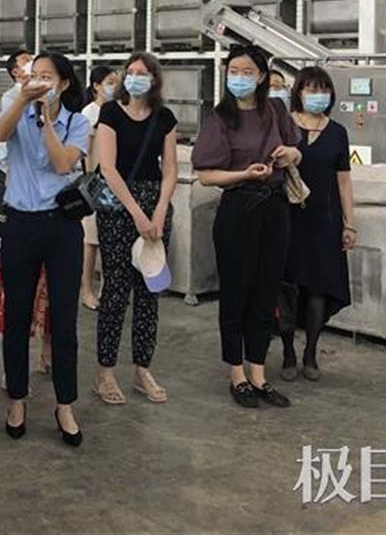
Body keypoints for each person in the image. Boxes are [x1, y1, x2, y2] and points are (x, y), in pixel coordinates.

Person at [192, 44, 301, 410]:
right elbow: (206, 176)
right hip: (239, 208)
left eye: (247, 72)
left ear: (261, 76)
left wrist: (290, 154)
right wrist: (244, 174)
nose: (239, 78)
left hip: (275, 209)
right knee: (236, 291)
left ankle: (258, 372)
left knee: (266, 291)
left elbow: (297, 149)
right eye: (233, 71)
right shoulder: (220, 118)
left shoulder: (276, 110)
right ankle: (236, 373)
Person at [0, 51, 91, 447]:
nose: (39, 81)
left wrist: (47, 120)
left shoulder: (78, 122)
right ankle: (17, 399)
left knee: (64, 319)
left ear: (63, 84)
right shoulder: (15, 108)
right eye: (34, 74)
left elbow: (63, 164)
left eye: (48, 77)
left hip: (61, 227)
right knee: (16, 316)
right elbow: (0, 135)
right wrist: (23, 101)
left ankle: (65, 404)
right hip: (19, 224)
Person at [93, 53, 178, 406]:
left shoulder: (164, 118)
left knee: (149, 291)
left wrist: (158, 211)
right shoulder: (111, 114)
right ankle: (105, 371)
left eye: (142, 73)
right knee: (115, 290)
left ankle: (143, 368)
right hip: (119, 207)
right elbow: (108, 168)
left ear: (154, 79)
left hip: (154, 204)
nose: (134, 77)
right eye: (129, 72)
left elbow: (170, 169)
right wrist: (137, 215)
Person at [278, 66, 355, 383]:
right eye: (311, 89)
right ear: (299, 92)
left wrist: (349, 224)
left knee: (319, 286)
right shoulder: (283, 126)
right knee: (286, 286)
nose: (318, 95)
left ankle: (310, 351)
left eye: (323, 90)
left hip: (324, 219)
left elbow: (344, 181)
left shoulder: (337, 132)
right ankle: (287, 350)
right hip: (287, 217)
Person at [80, 65, 117, 310]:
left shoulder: (117, 110)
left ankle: (108, 288)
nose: (115, 86)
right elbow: (86, 154)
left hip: (116, 183)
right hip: (95, 184)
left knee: (110, 240)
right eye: (110, 82)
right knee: (91, 241)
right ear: (96, 86)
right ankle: (87, 289)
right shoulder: (89, 113)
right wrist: (92, 182)